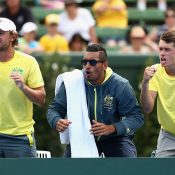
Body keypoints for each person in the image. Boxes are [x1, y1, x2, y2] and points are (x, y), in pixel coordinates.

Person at [47, 43, 144, 157]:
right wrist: (56, 121)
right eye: (84, 62)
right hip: (81, 140)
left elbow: (136, 117)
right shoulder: (73, 83)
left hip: (115, 140)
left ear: (104, 65)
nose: (87, 66)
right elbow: (53, 110)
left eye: (92, 62)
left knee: (129, 167)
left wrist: (112, 128)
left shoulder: (120, 85)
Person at [0, 17, 46, 158]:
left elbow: (41, 99)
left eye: (0, 33)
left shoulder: (28, 62)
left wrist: (23, 87)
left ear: (13, 36)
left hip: (18, 138)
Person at [140, 30, 175, 157]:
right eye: (160, 49)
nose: (162, 53)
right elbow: (147, 108)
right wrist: (145, 83)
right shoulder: (155, 71)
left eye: (167, 49)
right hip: (168, 136)